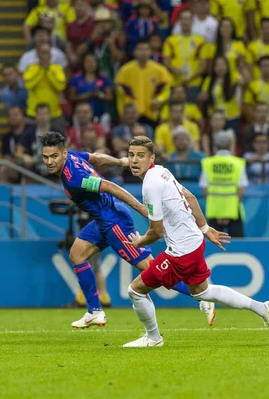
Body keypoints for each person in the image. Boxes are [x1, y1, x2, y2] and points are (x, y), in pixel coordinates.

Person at [122, 136, 269, 347]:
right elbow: (191, 198)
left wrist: (139, 242)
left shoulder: (151, 184)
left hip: (182, 252)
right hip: (194, 243)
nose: (134, 160)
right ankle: (264, 308)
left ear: (151, 158)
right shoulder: (162, 171)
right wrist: (205, 228)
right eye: (131, 155)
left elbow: (156, 231)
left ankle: (153, 338)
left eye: (140, 155)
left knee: (135, 290)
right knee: (203, 292)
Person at [39, 132, 199, 328]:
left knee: (151, 269)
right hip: (102, 219)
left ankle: (201, 296)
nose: (49, 161)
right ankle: (95, 311)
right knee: (77, 254)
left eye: (53, 156)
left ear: (63, 153)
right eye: (45, 157)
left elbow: (109, 186)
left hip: (114, 221)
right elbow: (97, 158)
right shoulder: (73, 156)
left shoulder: (74, 178)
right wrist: (120, 161)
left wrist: (141, 208)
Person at [199, 131, 248, 238]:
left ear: (215, 145)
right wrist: (228, 213)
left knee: (214, 246)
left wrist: (220, 213)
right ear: (231, 143)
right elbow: (240, 190)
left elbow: (205, 190)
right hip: (234, 212)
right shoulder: (238, 163)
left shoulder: (208, 163)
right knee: (238, 246)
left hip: (214, 212)